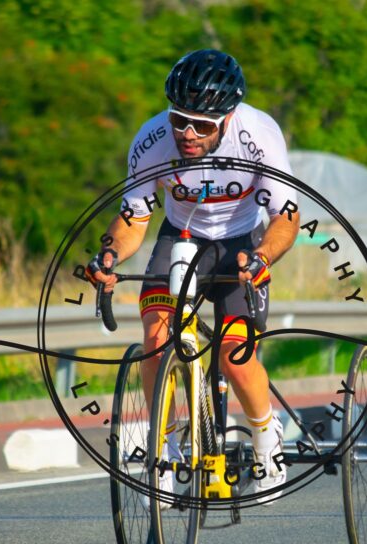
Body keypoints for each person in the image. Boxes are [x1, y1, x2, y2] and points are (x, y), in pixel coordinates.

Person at [86, 49, 300, 505]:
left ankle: (267, 437)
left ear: (228, 118)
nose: (187, 133)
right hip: (179, 236)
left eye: (202, 126)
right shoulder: (152, 141)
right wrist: (109, 254)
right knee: (156, 337)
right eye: (179, 120)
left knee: (234, 356)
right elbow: (133, 219)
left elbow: (286, 218)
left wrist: (261, 258)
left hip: (242, 241)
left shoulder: (259, 136)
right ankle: (161, 450)